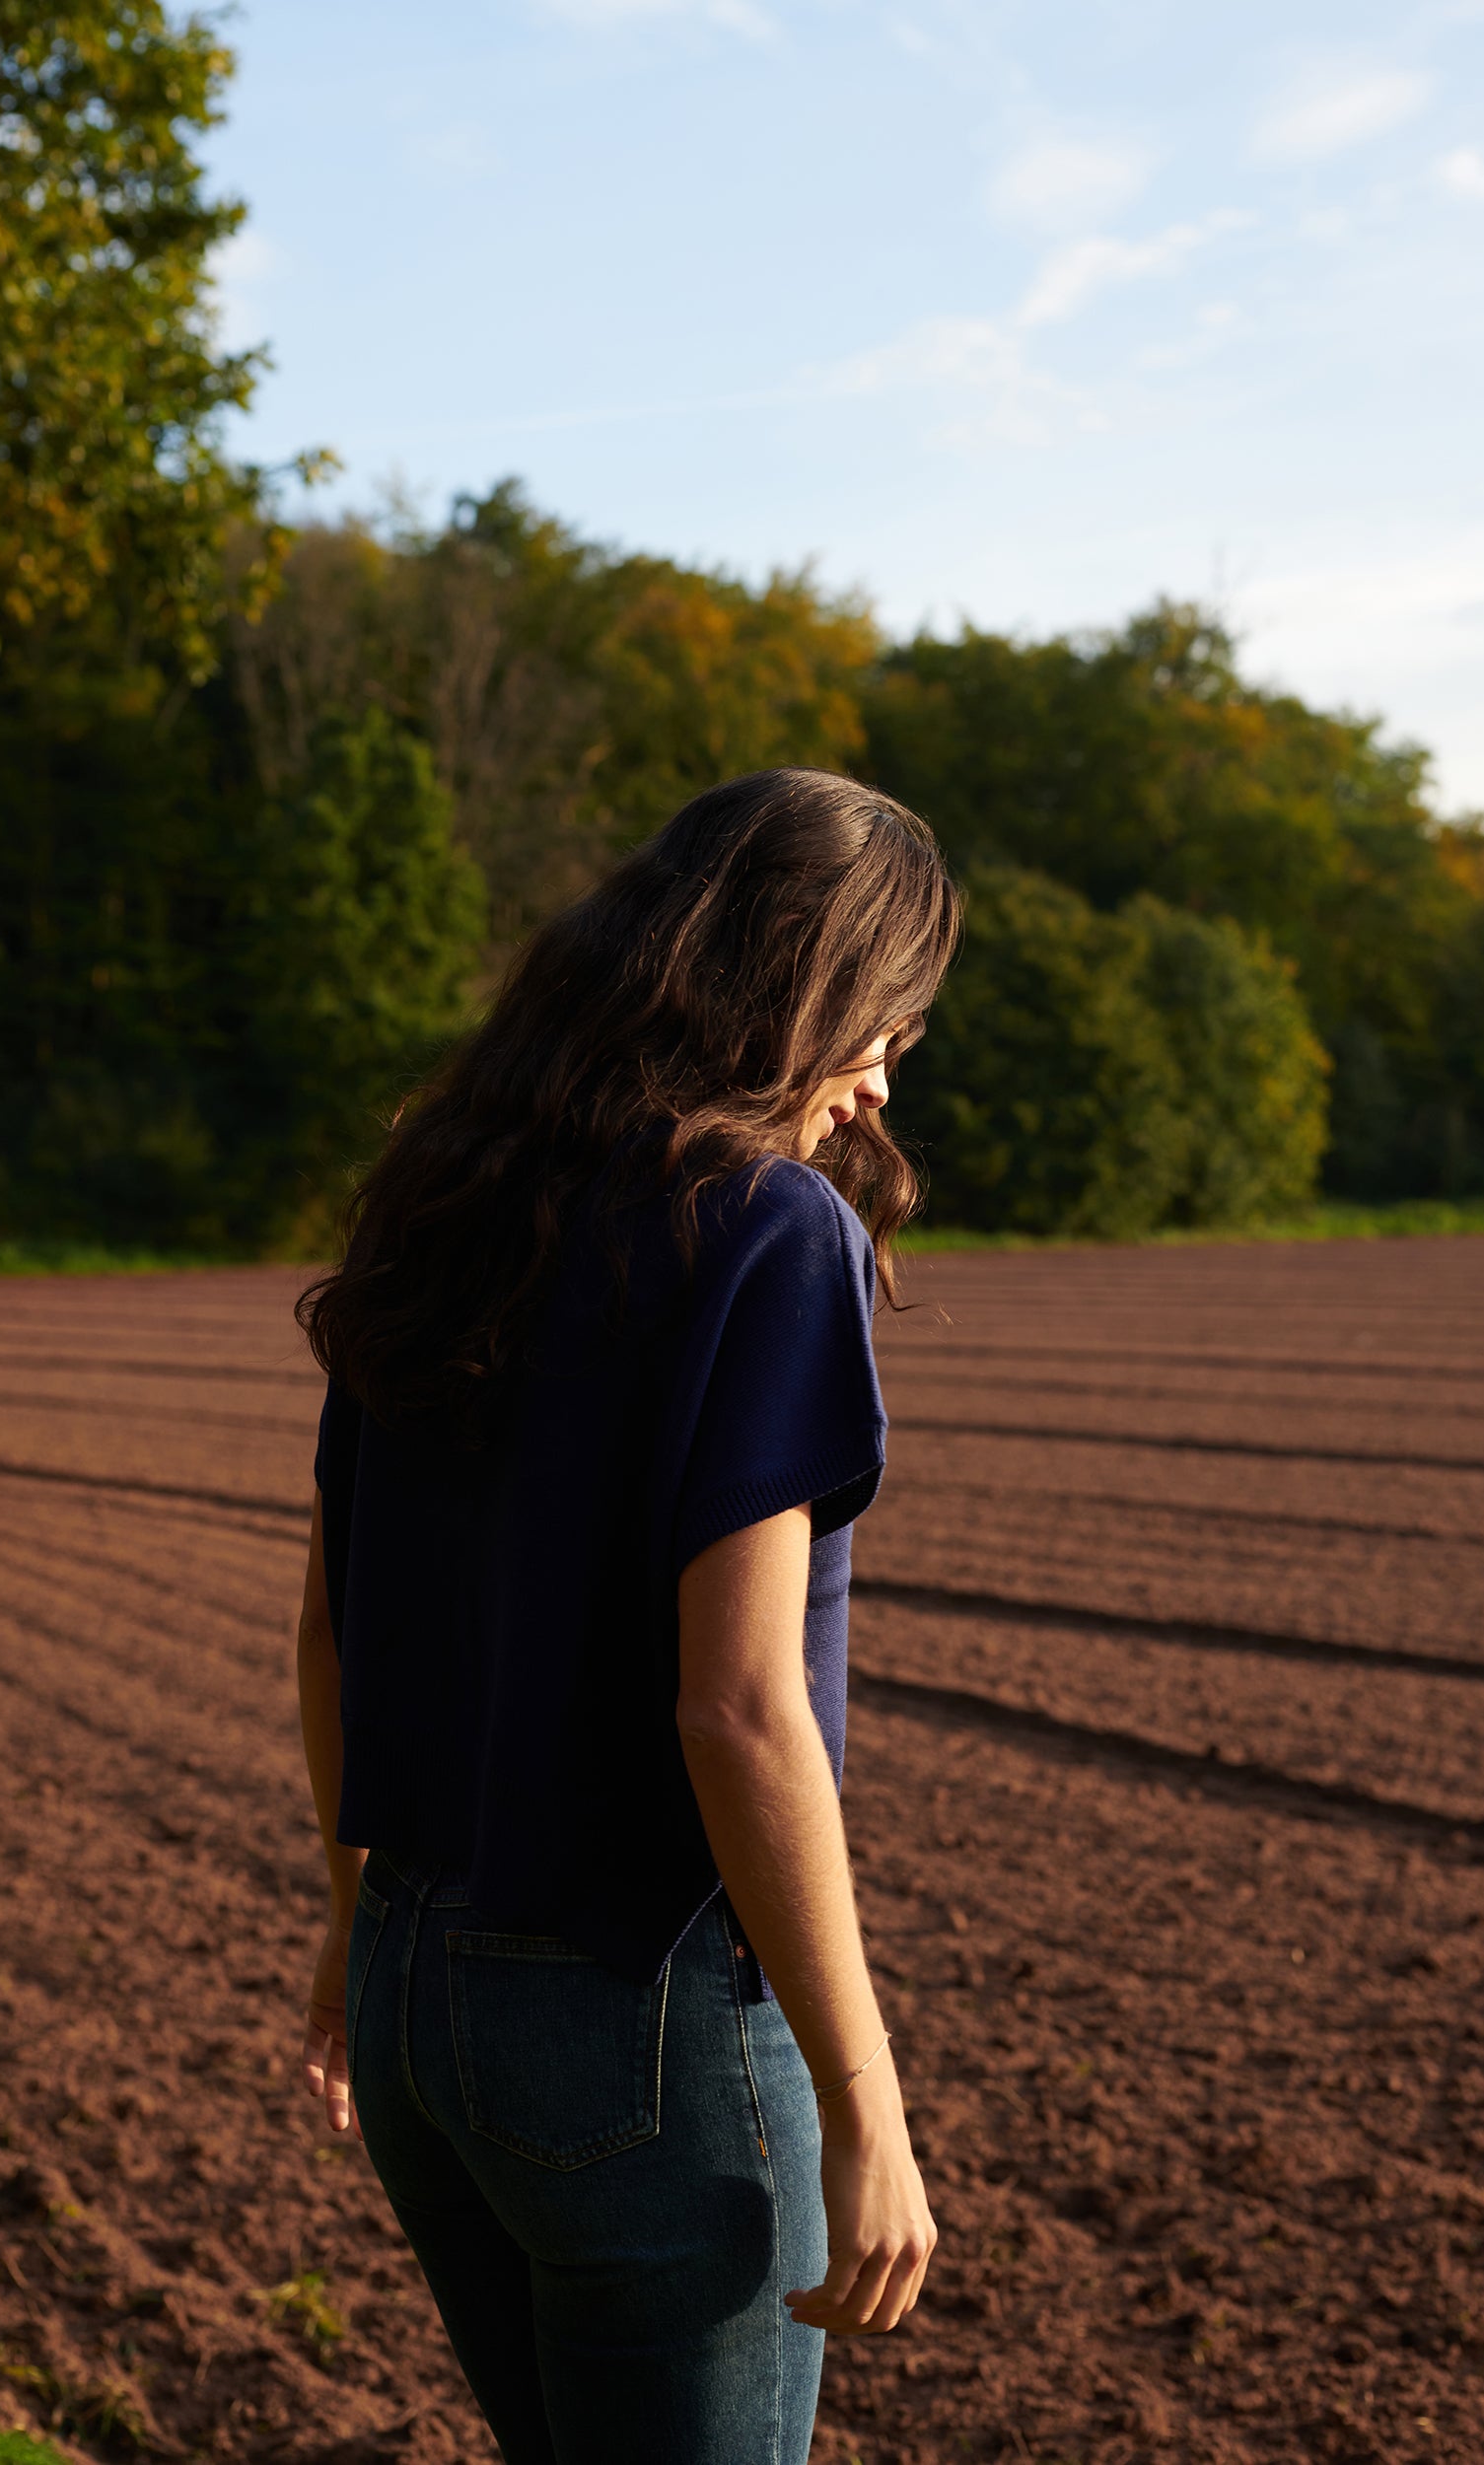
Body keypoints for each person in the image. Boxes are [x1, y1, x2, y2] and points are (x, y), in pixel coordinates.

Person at [292, 766, 960, 2464]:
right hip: (638, 2023)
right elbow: (737, 1710)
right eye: (877, 1021)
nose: (881, 1077)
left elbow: (335, 1624)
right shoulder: (765, 1225)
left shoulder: (447, 1189)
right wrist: (866, 2100)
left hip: (412, 1987)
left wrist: (344, 1930)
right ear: (793, 988)